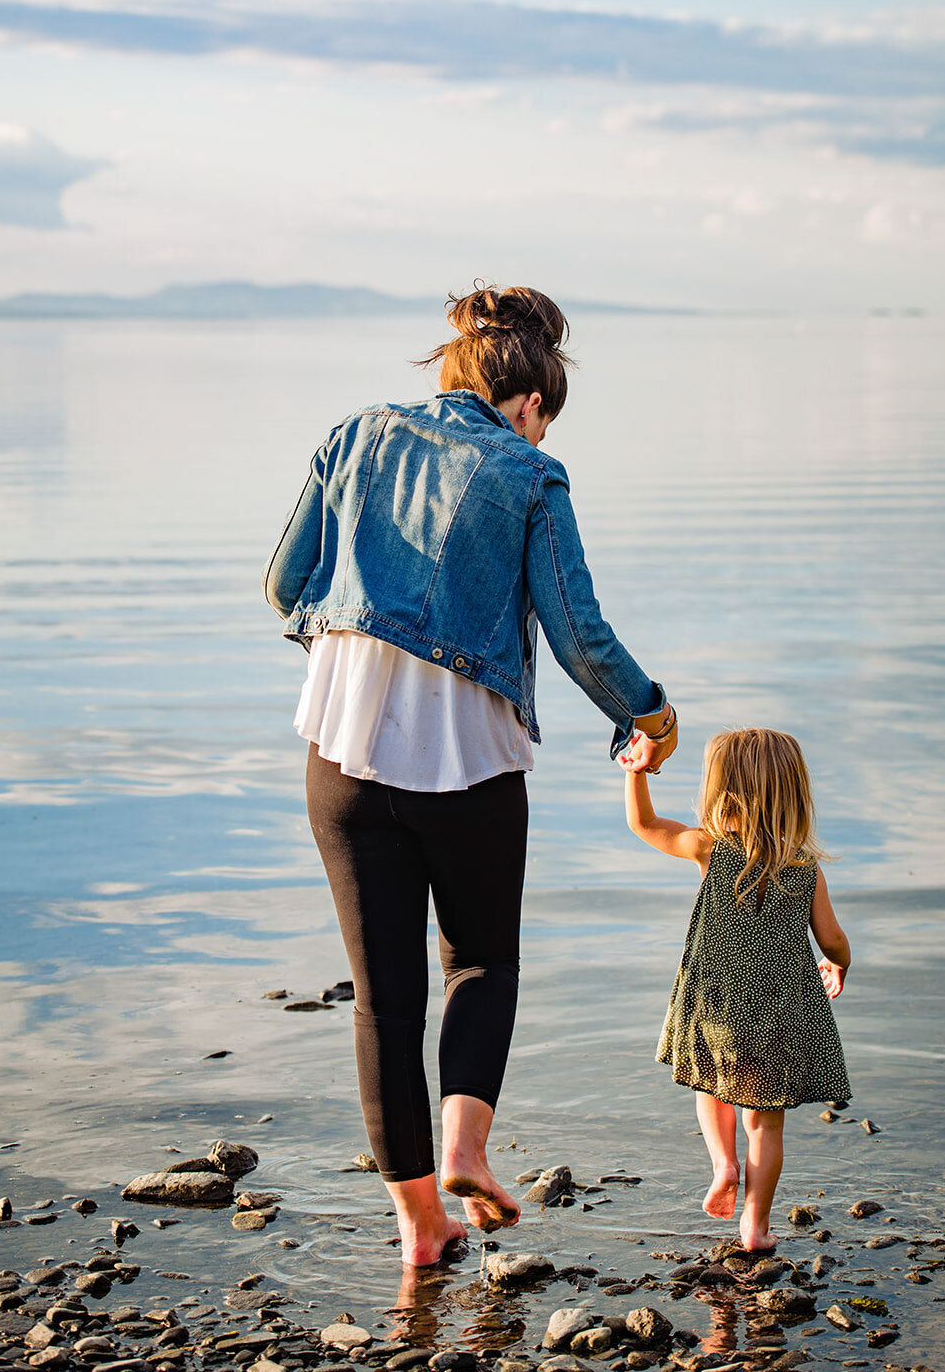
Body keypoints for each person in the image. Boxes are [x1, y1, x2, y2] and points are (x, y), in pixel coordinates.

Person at [263, 284, 679, 1267]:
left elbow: (286, 583)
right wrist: (650, 714)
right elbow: (579, 636)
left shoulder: (352, 434)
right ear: (531, 401)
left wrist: (355, 659)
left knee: (383, 999)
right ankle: (467, 1148)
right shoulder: (530, 473)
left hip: (340, 753)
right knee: (481, 962)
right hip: (469, 763)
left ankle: (418, 1226)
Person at [621, 726, 851, 1252]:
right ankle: (756, 1225)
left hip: (715, 1007)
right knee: (766, 1124)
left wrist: (637, 772)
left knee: (711, 1087)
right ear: (794, 793)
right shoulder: (804, 868)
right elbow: (833, 938)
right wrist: (838, 964)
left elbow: (645, 823)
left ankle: (723, 1165)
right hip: (782, 1014)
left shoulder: (711, 850)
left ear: (721, 790)